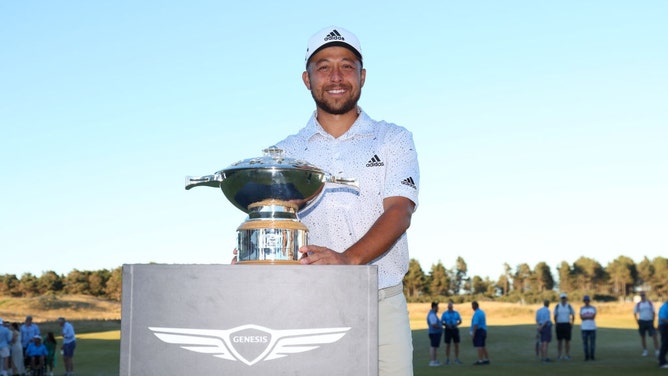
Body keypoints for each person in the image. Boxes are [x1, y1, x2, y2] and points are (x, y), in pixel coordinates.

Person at [273, 26, 420, 376]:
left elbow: (400, 211)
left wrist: (347, 259)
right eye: (323, 67)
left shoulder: (394, 138)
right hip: (310, 305)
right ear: (307, 79)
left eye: (346, 65)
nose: (335, 77)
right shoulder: (285, 153)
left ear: (362, 76)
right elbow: (278, 227)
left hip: (382, 302)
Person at [634, 291, 660, 357]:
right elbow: (635, 313)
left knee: (654, 336)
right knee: (643, 337)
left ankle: (657, 350)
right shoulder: (638, 304)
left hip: (649, 321)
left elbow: (654, 312)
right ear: (640, 296)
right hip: (642, 321)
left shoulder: (649, 303)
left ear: (645, 296)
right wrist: (637, 321)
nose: (642, 296)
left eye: (643, 295)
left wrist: (653, 320)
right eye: (641, 295)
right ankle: (645, 351)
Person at [553, 292, 575, 360]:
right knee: (559, 341)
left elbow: (573, 315)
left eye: (564, 298)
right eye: (562, 298)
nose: (563, 299)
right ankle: (559, 355)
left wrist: (572, 323)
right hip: (559, 324)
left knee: (567, 341)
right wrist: (556, 323)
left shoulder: (569, 306)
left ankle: (567, 354)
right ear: (560, 299)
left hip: (567, 324)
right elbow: (555, 316)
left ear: (566, 299)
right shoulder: (557, 306)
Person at [440, 300, 463, 365]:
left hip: (455, 329)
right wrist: (447, 325)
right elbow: (441, 322)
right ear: (447, 307)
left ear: (452, 306)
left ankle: (456, 359)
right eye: (449, 306)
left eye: (451, 306)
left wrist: (456, 324)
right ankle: (447, 359)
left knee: (456, 345)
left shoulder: (456, 313)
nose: (450, 307)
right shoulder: (444, 314)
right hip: (448, 330)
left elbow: (460, 321)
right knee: (448, 345)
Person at [470, 301, 489, 365]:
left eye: (472, 306)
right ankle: (486, 359)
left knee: (479, 346)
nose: (472, 307)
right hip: (484, 330)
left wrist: (473, 333)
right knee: (483, 345)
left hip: (479, 331)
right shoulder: (482, 312)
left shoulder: (476, 314)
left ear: (474, 306)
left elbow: (475, 324)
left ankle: (480, 360)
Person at [580, 295, 597, 361]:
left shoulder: (593, 308)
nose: (586, 302)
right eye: (585, 300)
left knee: (592, 343)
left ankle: (592, 356)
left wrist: (586, 317)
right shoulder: (582, 308)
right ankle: (586, 356)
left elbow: (593, 317)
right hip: (584, 328)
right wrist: (589, 317)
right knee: (585, 343)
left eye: (587, 300)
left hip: (592, 328)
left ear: (589, 301)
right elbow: (581, 318)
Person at [426, 302, 442, 366]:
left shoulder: (433, 314)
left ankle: (434, 360)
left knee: (435, 347)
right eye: (437, 307)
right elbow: (434, 324)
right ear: (434, 307)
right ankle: (432, 361)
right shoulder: (432, 314)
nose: (438, 308)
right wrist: (441, 327)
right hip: (434, 333)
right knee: (433, 347)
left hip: (435, 333)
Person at [658, 299, 668, 369]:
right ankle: (662, 362)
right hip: (665, 327)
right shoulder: (665, 307)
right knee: (665, 344)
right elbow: (662, 318)